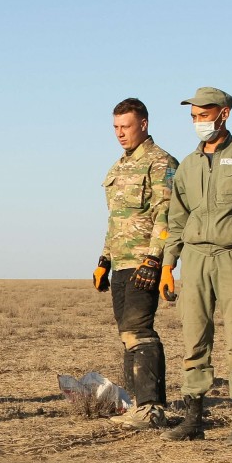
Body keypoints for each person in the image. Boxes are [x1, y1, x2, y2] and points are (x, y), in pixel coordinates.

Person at [160, 87, 232, 446]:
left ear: (224, 114)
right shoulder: (188, 165)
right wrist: (169, 264)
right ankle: (194, 418)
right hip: (194, 259)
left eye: (204, 115)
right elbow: (176, 219)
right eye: (194, 116)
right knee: (195, 338)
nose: (199, 122)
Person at [92, 98, 178, 430]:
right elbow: (116, 220)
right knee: (126, 334)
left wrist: (155, 259)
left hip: (146, 261)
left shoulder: (161, 163)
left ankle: (153, 407)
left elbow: (167, 215)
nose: (119, 133)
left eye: (125, 126)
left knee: (139, 331)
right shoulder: (117, 167)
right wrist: (104, 259)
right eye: (115, 127)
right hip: (121, 263)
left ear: (143, 124)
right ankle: (137, 406)